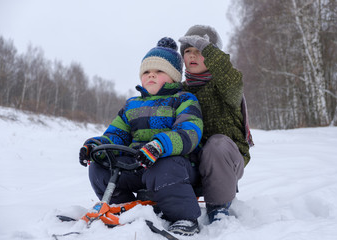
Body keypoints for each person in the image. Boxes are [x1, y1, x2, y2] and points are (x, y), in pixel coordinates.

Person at [79, 37, 203, 236]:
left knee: (163, 169)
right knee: (99, 167)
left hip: (176, 165)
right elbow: (114, 135)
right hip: (137, 163)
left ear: (173, 76)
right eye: (146, 72)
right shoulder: (131, 105)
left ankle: (184, 217)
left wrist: (159, 146)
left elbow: (189, 131)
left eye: (159, 71)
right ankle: (125, 208)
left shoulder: (183, 99)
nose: (151, 75)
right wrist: (95, 146)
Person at [178, 25, 254, 223]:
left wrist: (209, 48)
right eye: (188, 51)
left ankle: (218, 207)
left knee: (216, 144)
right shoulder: (181, 91)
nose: (193, 55)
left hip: (227, 159)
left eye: (199, 51)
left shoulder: (226, 89)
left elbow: (231, 79)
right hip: (194, 160)